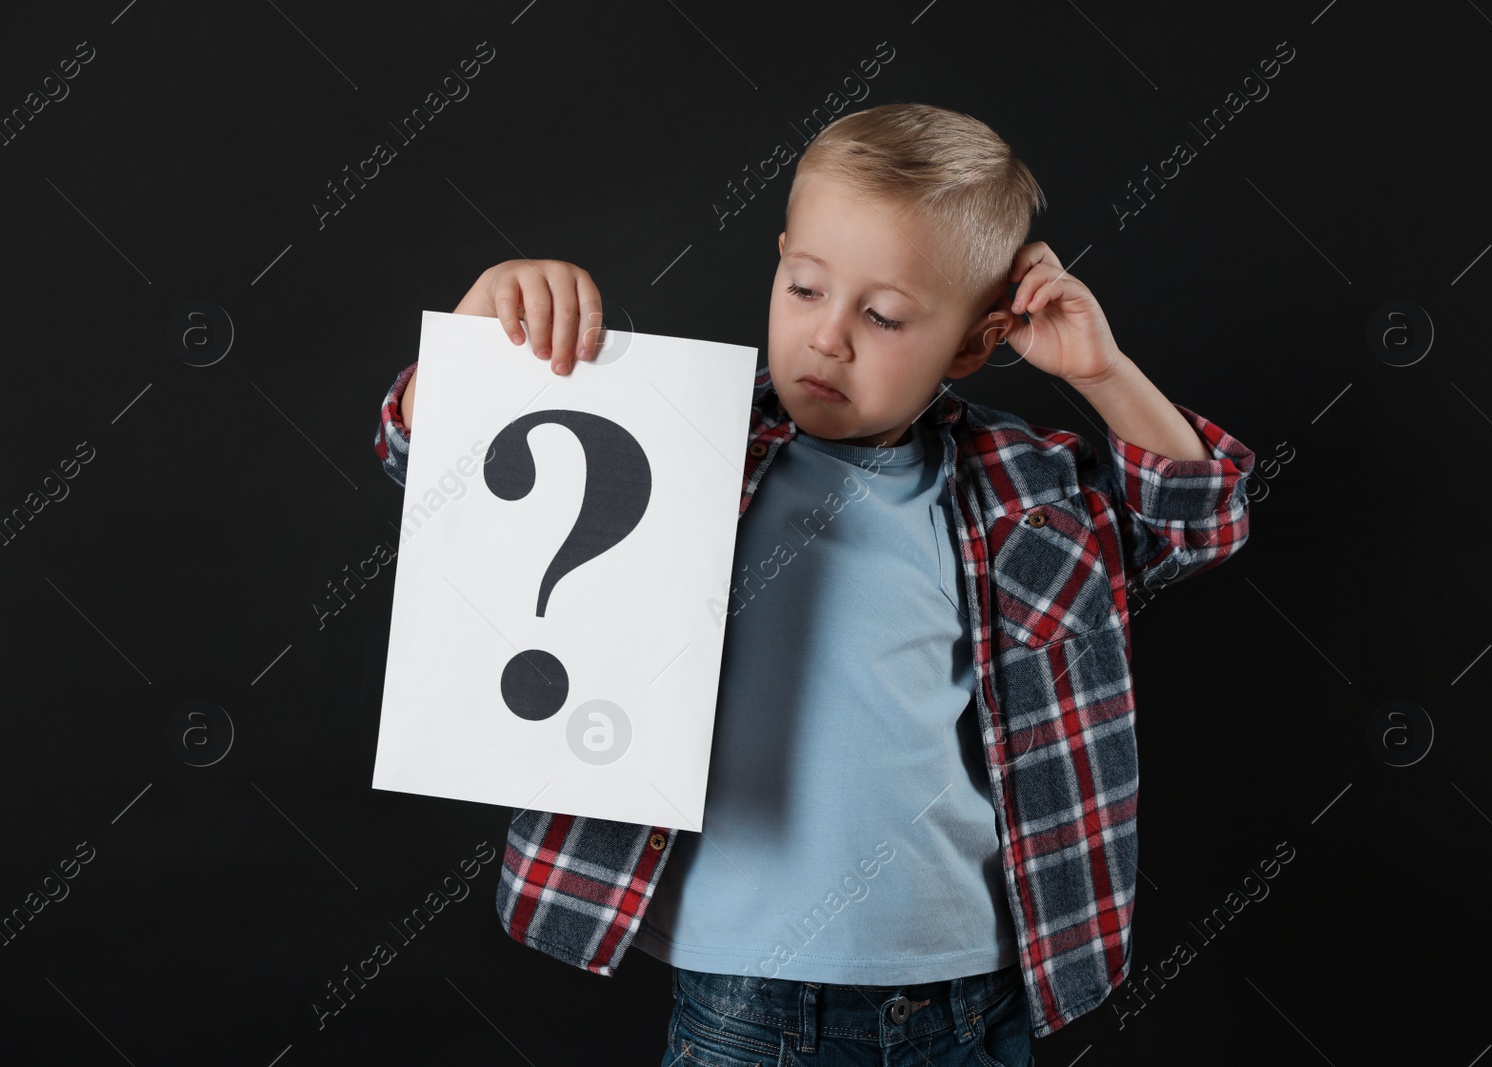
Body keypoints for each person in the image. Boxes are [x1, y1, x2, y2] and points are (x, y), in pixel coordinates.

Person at [373, 102, 1255, 1065]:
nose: (828, 338)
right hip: (752, 995)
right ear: (780, 259)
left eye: (882, 316)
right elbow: (432, 457)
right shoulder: (683, 444)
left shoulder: (1022, 486)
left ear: (973, 342)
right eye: (804, 288)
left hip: (977, 989)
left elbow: (1196, 525)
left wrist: (1104, 371)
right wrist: (483, 331)